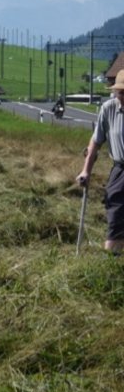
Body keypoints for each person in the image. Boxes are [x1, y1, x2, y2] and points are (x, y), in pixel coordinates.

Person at [76, 70, 124, 255]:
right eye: (120, 92)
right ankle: (113, 259)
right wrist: (85, 171)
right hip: (120, 171)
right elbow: (96, 142)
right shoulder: (109, 109)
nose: (122, 96)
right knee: (115, 210)